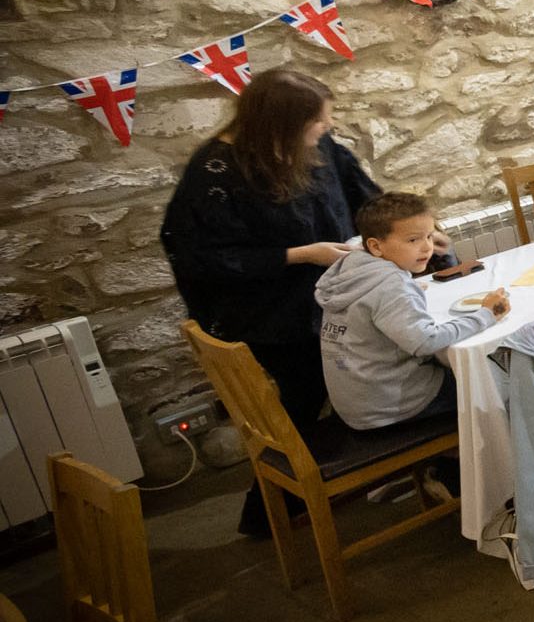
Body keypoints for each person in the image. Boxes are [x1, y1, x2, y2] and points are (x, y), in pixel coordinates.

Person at [163, 68, 392, 535]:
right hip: (273, 313)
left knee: (376, 366)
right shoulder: (216, 171)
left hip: (335, 293)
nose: (325, 130)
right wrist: (302, 254)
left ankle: (295, 500)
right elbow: (201, 257)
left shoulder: (320, 148)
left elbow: (366, 198)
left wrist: (412, 232)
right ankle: (276, 507)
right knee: (312, 394)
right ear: (280, 125)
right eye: (317, 122)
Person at [316, 193, 509, 431]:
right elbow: (426, 342)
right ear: (375, 246)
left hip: (359, 402)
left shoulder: (353, 267)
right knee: (493, 383)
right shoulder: (390, 287)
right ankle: (482, 461)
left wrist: (407, 287)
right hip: (391, 407)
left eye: (429, 236)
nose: (427, 247)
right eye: (412, 240)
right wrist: (486, 315)